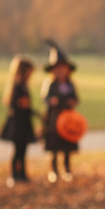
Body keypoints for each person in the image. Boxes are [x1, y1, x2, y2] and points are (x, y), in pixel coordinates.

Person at [40, 41, 80, 182]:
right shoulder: (50, 84)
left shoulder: (70, 84)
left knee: (67, 146)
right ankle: (54, 170)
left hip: (68, 118)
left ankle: (67, 169)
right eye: (58, 69)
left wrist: (72, 102)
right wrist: (51, 101)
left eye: (63, 68)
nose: (61, 71)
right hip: (54, 119)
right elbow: (45, 98)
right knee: (54, 147)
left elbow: (76, 98)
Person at [0, 55, 37, 185]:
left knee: (23, 150)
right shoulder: (17, 87)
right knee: (18, 150)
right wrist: (21, 105)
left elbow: (28, 107)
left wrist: (37, 114)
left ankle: (22, 174)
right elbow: (15, 105)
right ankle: (15, 175)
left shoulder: (24, 86)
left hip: (24, 123)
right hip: (18, 124)